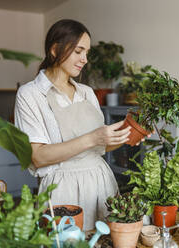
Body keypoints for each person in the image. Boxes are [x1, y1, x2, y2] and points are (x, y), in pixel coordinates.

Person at [14, 19, 142, 230]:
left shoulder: (86, 92)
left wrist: (127, 135)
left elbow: (100, 147)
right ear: (55, 50)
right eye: (78, 51)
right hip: (62, 190)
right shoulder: (30, 94)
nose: (84, 59)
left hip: (102, 184)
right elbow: (37, 157)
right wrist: (93, 137)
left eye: (87, 53)